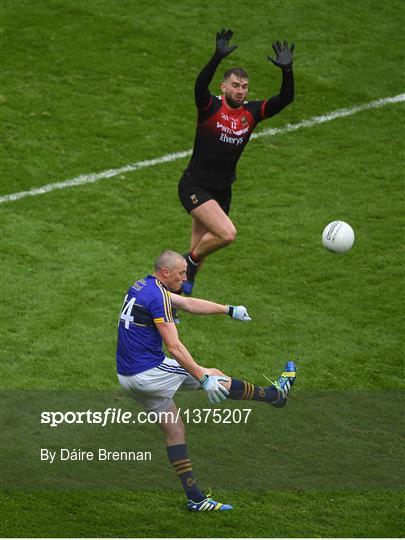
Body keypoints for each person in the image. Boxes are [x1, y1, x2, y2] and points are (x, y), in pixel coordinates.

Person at [116, 250, 297, 511]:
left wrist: (228, 309)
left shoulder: (144, 286)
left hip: (127, 376)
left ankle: (195, 499)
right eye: (181, 273)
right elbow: (175, 348)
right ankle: (275, 396)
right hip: (149, 373)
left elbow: (188, 304)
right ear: (165, 272)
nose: (185, 278)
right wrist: (203, 379)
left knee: (175, 430)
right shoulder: (157, 297)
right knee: (214, 375)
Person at [178, 30, 295, 294]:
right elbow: (199, 85)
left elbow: (285, 99)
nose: (240, 91)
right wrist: (216, 57)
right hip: (194, 185)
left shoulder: (251, 113)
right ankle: (188, 262)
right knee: (226, 235)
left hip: (222, 189)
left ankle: (172, 299)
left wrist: (287, 70)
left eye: (243, 87)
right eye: (235, 85)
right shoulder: (210, 107)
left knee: (199, 249)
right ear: (223, 86)